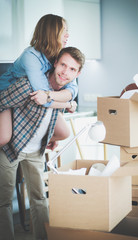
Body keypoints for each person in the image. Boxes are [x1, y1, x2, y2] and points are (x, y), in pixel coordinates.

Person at [0, 46, 85, 240]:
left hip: (36, 150)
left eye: (72, 69)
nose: (65, 72)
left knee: (39, 199)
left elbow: (51, 115)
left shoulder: (65, 91)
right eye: (63, 64)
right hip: (11, 148)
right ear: (55, 63)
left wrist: (50, 136)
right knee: (3, 202)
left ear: (78, 73)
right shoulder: (28, 85)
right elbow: (1, 99)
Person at [0, 14, 78, 147]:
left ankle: (31, 143)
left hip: (31, 100)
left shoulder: (59, 54)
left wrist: (49, 134)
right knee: (4, 138)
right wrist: (68, 105)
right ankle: (19, 148)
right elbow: (44, 97)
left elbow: (71, 90)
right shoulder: (30, 56)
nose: (67, 35)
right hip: (8, 97)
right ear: (51, 33)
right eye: (64, 31)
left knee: (63, 132)